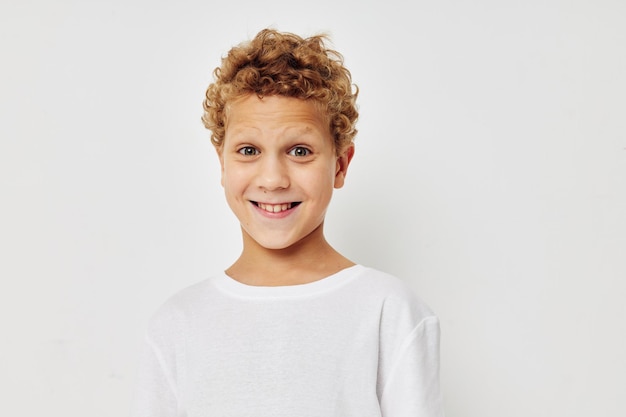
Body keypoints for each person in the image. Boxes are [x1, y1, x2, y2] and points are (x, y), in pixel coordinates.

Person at [132, 28, 444, 417]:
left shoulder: (390, 311)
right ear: (222, 164)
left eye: (300, 150)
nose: (273, 179)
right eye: (248, 150)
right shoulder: (178, 322)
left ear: (341, 164)